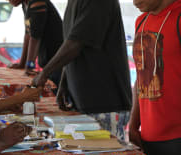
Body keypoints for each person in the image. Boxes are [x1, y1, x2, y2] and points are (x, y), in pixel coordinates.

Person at [32, 0, 132, 141]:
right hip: (84, 102)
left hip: (104, 104)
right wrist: (64, 84)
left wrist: (44, 73)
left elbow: (76, 43)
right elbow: (74, 44)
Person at [129, 0, 181, 155]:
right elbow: (141, 77)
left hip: (177, 137)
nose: (134, 1)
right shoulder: (141, 21)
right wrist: (134, 124)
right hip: (148, 138)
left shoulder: (178, 18)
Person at [8, 0, 63, 93]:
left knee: (56, 95)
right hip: (49, 61)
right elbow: (28, 34)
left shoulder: (38, 2)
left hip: (57, 61)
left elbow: (35, 38)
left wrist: (29, 66)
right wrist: (22, 63)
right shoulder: (26, 4)